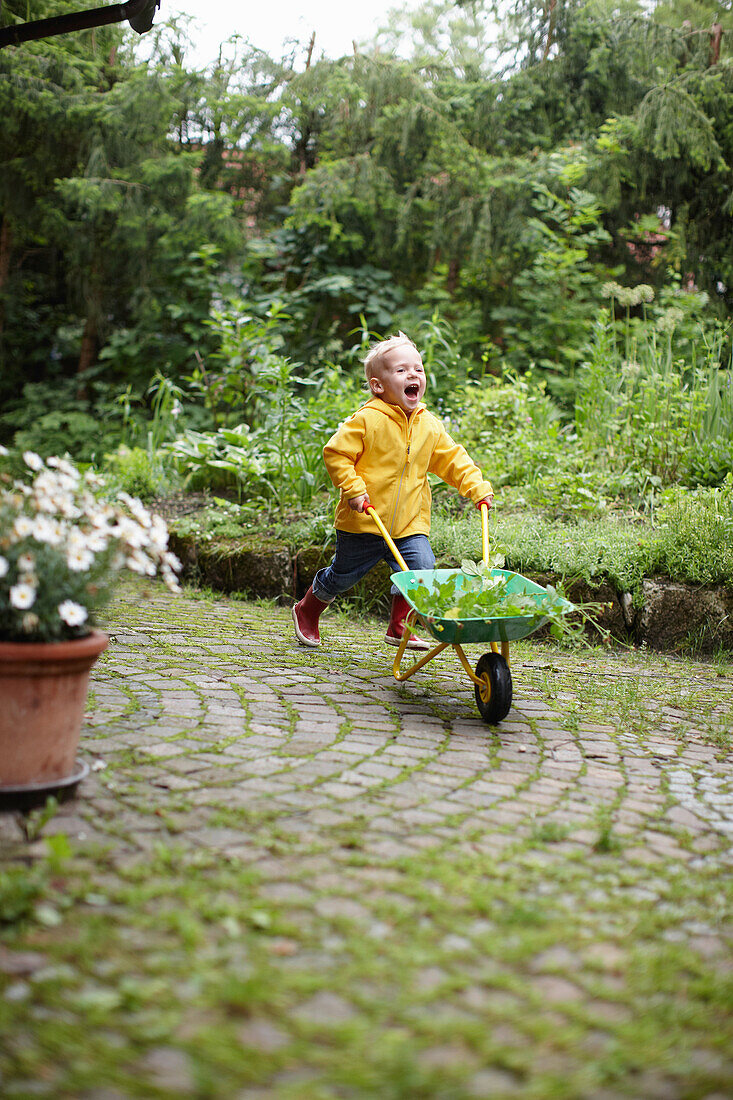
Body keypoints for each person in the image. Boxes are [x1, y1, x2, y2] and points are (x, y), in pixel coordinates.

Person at [292, 332, 494, 650]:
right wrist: (354, 490)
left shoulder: (429, 425)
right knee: (342, 576)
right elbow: (337, 454)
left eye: (418, 369)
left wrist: (476, 487)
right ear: (378, 385)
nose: (413, 374)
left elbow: (453, 460)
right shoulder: (367, 420)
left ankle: (400, 625)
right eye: (401, 371)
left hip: (409, 524)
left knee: (420, 570)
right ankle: (308, 608)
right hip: (365, 520)